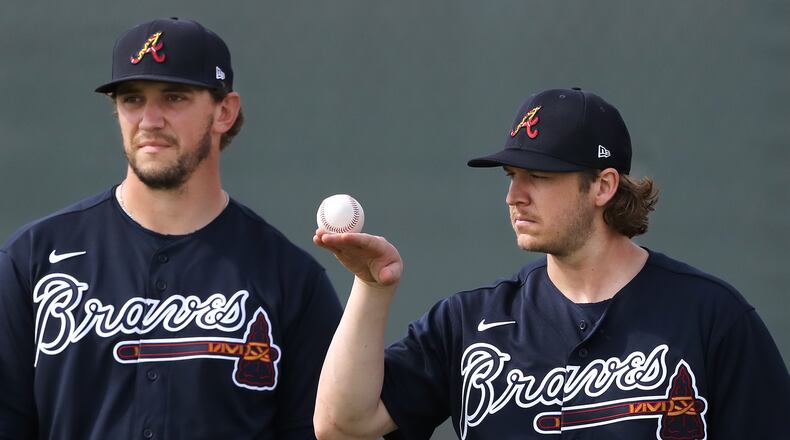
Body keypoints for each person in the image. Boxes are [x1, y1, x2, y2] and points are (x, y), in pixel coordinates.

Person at [312, 88, 790, 439]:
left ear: (602, 186)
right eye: (511, 175)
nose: (513, 196)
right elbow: (341, 424)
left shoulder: (710, 317)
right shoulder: (469, 323)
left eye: (538, 176)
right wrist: (372, 287)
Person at [0, 17, 342, 439]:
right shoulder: (32, 261)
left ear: (224, 111)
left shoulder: (291, 280)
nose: (149, 119)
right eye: (131, 99)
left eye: (174, 97)